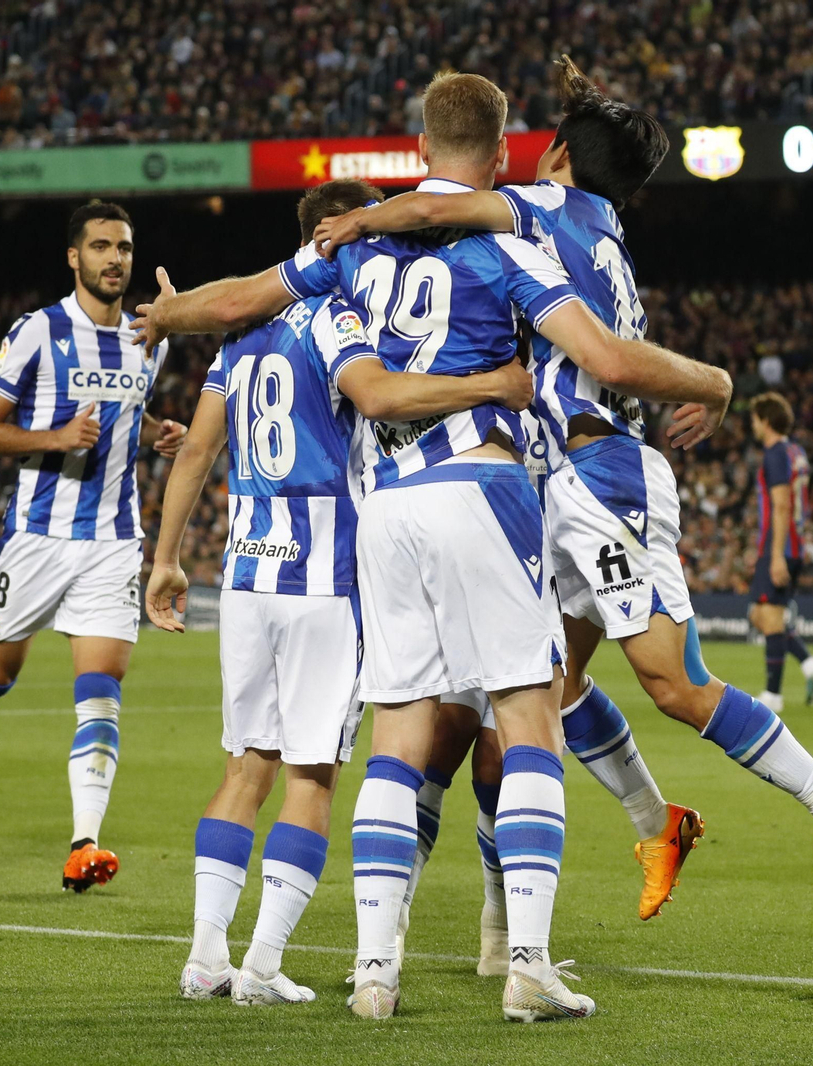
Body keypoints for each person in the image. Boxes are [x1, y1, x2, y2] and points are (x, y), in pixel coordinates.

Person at [134, 71, 731, 1023]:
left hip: (387, 514)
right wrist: (714, 379)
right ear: (500, 159)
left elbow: (240, 299)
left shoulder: (350, 256)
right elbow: (612, 363)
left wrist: (164, 315)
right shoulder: (515, 246)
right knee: (529, 718)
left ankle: (376, 972)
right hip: (483, 488)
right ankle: (528, 965)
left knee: (400, 740)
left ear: (418, 151)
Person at [314, 57, 813, 918]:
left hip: (599, 478)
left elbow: (433, 203)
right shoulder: (600, 230)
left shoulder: (551, 209)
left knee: (674, 683)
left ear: (558, 157)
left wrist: (355, 220)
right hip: (562, 479)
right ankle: (655, 823)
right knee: (548, 685)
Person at [145, 179, 533, 1007]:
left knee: (244, 762)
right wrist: (494, 385)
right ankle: (259, 967)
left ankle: (205, 956)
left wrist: (167, 558)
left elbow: (195, 452)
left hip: (246, 568)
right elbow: (380, 397)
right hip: (324, 574)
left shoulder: (241, 338)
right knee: (312, 778)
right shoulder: (337, 317)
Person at [0, 200, 186, 895]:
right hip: (35, 539)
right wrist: (54, 438)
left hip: (114, 541)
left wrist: (155, 433)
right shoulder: (36, 332)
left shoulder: (152, 337)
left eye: (124, 246)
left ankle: (85, 842)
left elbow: (124, 411)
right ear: (74, 258)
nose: (115, 258)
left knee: (101, 691)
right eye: (101, 246)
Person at [749, 392, 813, 713]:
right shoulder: (796, 451)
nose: (753, 425)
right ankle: (810, 665)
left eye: (755, 419)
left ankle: (773, 695)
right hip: (791, 542)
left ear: (766, 420)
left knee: (769, 618)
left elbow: (781, 504)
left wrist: (778, 555)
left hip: (779, 545)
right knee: (760, 614)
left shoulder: (775, 454)